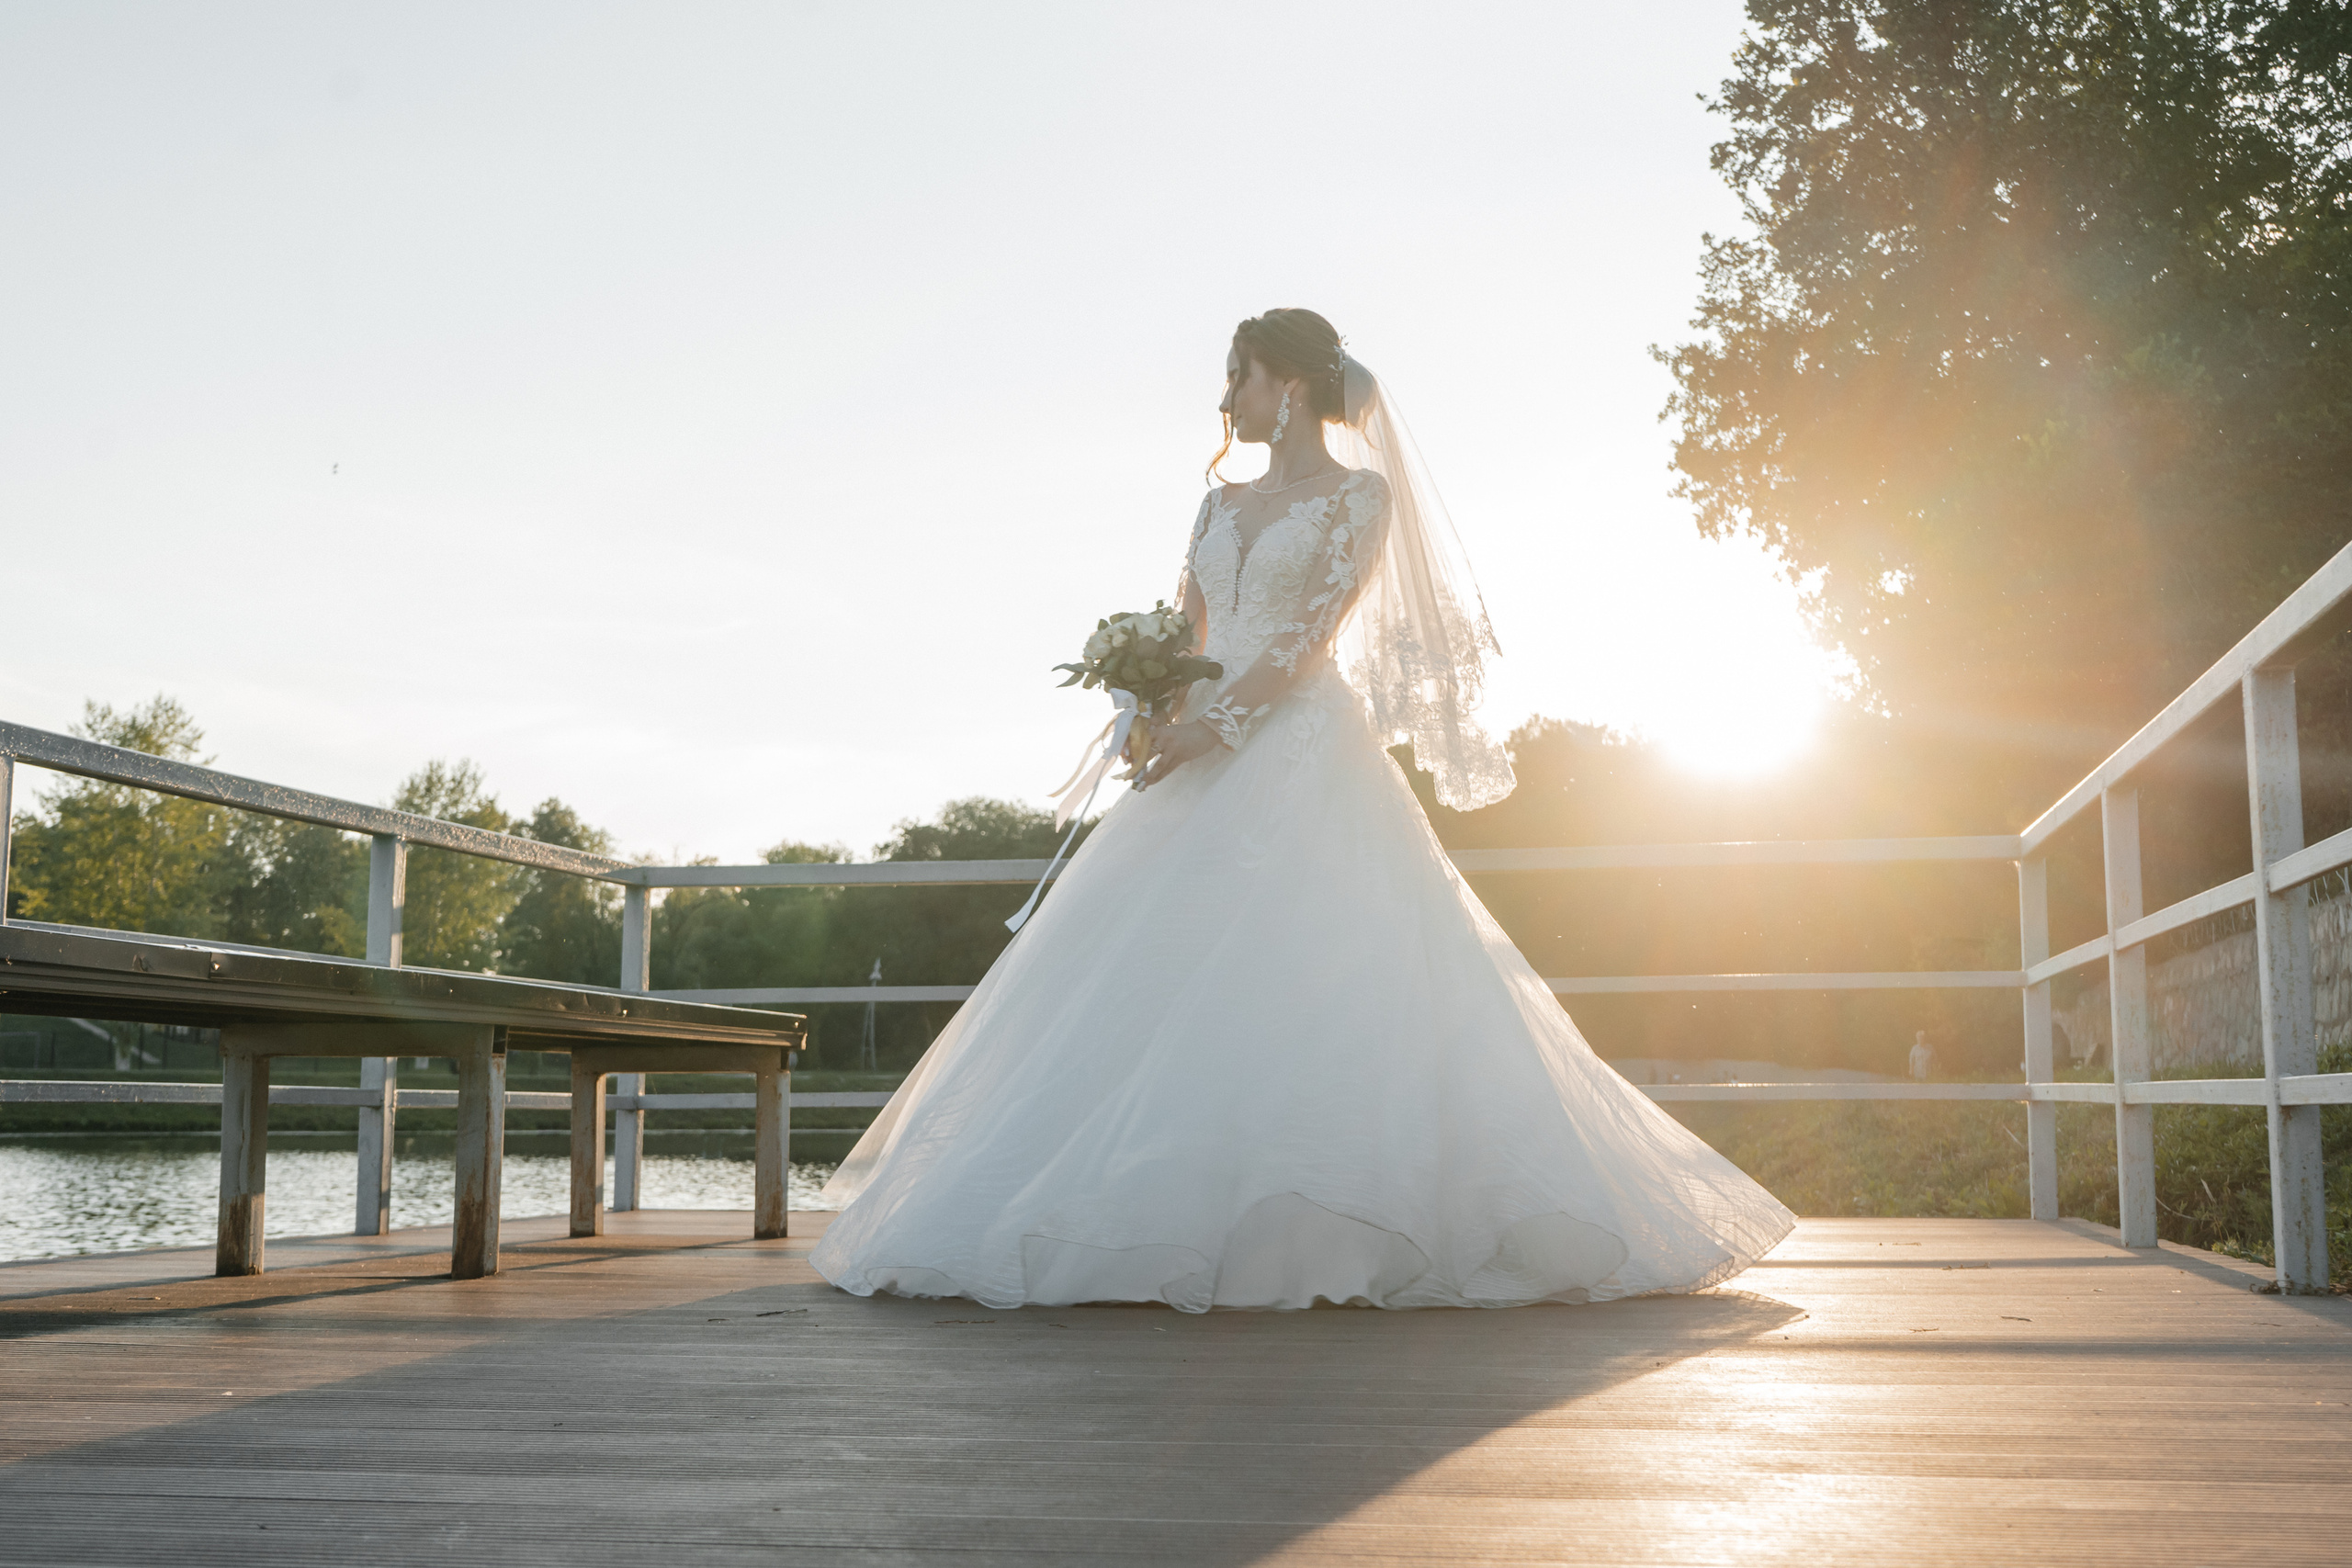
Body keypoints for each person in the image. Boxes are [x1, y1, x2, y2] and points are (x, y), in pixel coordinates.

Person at [811, 309, 1794, 1311]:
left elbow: (1309, 640)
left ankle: (1319, 1230)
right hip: (1193, 752)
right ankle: (1129, 1212)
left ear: (1287, 387)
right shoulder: (1213, 505)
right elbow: (1190, 629)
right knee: (1148, 971)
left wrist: (1218, 724)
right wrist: (1155, 709)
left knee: (1310, 970)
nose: (1223, 398)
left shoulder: (1357, 499)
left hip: (1299, 752)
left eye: (1235, 376)